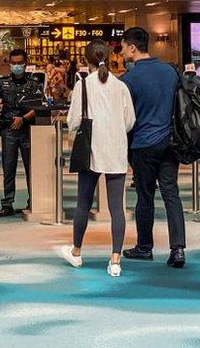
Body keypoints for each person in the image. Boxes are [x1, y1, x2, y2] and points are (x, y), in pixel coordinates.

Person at [61, 41, 136, 278]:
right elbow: (129, 121)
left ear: (86, 60)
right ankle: (115, 259)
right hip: (116, 150)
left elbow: (73, 121)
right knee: (117, 209)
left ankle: (76, 251)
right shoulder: (121, 86)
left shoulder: (83, 85)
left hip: (91, 150)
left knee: (83, 203)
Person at [119, 27, 186, 268]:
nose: (122, 51)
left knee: (145, 196)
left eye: (123, 47)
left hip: (143, 143)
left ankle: (145, 247)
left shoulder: (128, 79)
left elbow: (124, 116)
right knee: (171, 194)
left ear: (133, 47)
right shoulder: (170, 72)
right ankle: (177, 249)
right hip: (169, 141)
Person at [0, 48, 44, 218]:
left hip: (27, 129)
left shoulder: (34, 82)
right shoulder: (2, 82)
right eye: (14, 63)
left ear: (25, 63)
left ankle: (33, 201)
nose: (17, 66)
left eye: (20, 63)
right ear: (9, 64)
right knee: (9, 166)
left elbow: (39, 105)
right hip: (8, 129)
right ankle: (7, 203)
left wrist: (23, 119)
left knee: (31, 167)